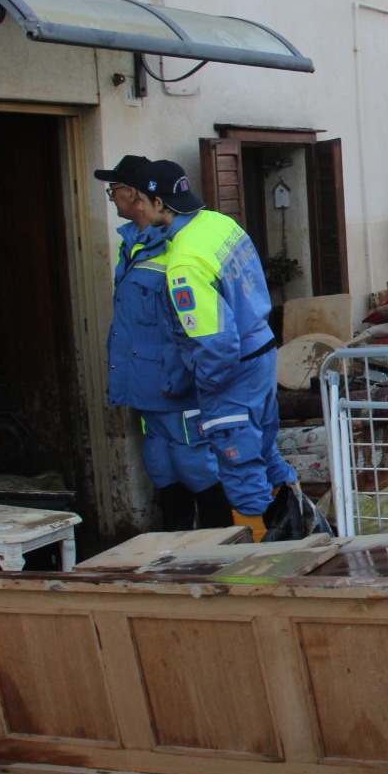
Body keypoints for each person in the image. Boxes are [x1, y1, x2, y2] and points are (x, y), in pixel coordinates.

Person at [134, 159, 320, 540]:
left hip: (232, 373)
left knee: (240, 469)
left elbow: (215, 343)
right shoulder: (221, 225)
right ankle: (306, 530)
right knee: (266, 453)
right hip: (261, 354)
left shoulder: (183, 261)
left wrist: (205, 388)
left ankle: (261, 561)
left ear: (157, 202)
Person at [94, 155, 231, 531]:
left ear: (135, 195)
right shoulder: (132, 244)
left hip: (176, 384)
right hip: (145, 385)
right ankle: (176, 552)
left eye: (114, 190)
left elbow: (198, 325)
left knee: (196, 463)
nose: (112, 198)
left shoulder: (176, 248)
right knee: (160, 462)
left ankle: (226, 548)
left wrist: (190, 377)